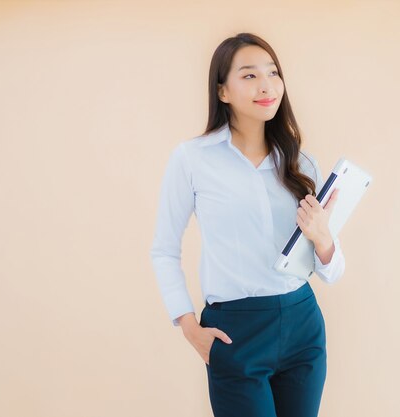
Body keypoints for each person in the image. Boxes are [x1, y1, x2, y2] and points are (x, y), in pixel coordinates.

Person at [150, 32, 346, 417]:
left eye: (273, 72)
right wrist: (189, 327)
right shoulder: (193, 159)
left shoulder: (301, 165)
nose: (266, 85)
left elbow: (332, 272)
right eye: (249, 75)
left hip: (302, 322)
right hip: (235, 331)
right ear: (222, 91)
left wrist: (323, 238)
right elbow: (163, 249)